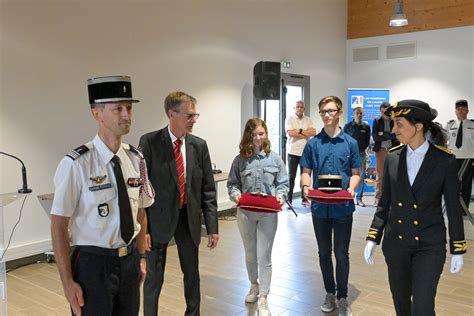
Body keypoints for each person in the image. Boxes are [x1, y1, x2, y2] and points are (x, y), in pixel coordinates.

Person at [50, 76, 154, 316]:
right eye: (118, 108)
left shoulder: (136, 159)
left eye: (128, 108)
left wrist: (141, 257)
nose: (126, 115)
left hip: (128, 262)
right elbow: (58, 225)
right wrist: (67, 282)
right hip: (92, 265)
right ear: (97, 114)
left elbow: (141, 211)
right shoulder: (76, 164)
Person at [364, 100, 467, 316]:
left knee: (422, 306)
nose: (393, 130)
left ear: (418, 126)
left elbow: (453, 208)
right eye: (393, 124)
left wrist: (457, 248)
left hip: (429, 244)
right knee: (401, 304)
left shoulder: (444, 161)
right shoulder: (392, 158)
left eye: (399, 124)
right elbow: (385, 203)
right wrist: (373, 236)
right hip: (396, 243)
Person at [139, 91, 219, 316]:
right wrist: (143, 228)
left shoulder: (199, 146)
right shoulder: (150, 142)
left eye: (195, 116)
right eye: (189, 115)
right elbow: (142, 188)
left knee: (192, 275)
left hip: (189, 220)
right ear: (171, 113)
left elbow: (208, 189)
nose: (193, 120)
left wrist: (212, 227)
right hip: (158, 221)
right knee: (154, 279)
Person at [300, 96, 361, 316]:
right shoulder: (313, 143)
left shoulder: (350, 143)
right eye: (323, 111)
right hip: (319, 209)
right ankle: (329, 292)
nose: (327, 115)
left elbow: (355, 174)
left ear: (339, 113)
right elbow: (306, 172)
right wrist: (306, 187)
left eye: (331, 111)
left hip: (343, 208)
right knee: (324, 253)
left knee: (341, 253)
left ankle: (343, 297)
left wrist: (352, 188)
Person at [227, 118, 289, 316]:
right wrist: (235, 194)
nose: (257, 138)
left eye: (261, 134)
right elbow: (233, 183)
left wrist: (281, 195)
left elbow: (283, 183)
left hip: (268, 214)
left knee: (265, 254)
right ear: (248, 136)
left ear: (266, 134)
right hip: (245, 213)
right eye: (253, 135)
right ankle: (254, 285)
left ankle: (263, 297)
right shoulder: (239, 160)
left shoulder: (275, 158)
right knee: (250, 253)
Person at [285, 100, 317, 208]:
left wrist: (298, 132)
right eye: (297, 107)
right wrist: (304, 132)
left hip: (305, 153)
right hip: (292, 152)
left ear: (304, 108)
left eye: (301, 107)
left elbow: (313, 132)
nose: (299, 108)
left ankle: (304, 199)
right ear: (294, 108)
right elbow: (290, 133)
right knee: (291, 177)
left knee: (304, 177)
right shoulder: (289, 119)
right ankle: (289, 200)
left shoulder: (308, 120)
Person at [445, 99, 473, 210]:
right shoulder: (450, 125)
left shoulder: (472, 125)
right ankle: (453, 207)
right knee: (453, 183)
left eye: (463, 109)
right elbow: (445, 141)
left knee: (466, 183)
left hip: (468, 158)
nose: (460, 111)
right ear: (455, 111)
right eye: (458, 109)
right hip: (453, 158)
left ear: (467, 111)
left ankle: (464, 208)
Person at [372, 102, 400, 205]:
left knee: (393, 174)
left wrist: (383, 134)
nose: (386, 111)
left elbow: (396, 135)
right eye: (384, 109)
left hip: (394, 149)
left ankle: (393, 199)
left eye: (388, 109)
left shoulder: (394, 120)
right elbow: (375, 136)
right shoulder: (376, 120)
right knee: (380, 176)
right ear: (381, 110)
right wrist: (389, 135)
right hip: (381, 150)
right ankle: (378, 199)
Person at [343, 107, 370, 207]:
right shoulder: (348, 126)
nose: (359, 115)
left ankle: (359, 199)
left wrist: (362, 148)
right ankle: (347, 198)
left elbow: (367, 141)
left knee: (361, 176)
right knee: (348, 175)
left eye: (361, 113)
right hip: (349, 154)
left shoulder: (366, 127)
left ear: (363, 115)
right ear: (353, 115)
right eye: (357, 113)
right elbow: (343, 139)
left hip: (361, 153)